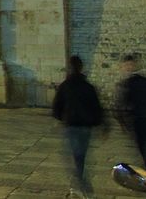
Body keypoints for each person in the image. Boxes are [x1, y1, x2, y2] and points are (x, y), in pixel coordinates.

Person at [52, 55, 104, 197]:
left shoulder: (65, 86)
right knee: (81, 155)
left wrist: (60, 118)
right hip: (85, 127)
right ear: (81, 68)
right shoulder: (88, 87)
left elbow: (56, 107)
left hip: (71, 125)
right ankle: (81, 183)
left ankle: (79, 183)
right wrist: (98, 124)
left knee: (74, 156)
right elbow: (96, 107)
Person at [115, 53, 146, 178]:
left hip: (137, 120)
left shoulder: (128, 84)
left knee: (143, 151)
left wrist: (122, 122)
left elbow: (121, 104)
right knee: (144, 150)